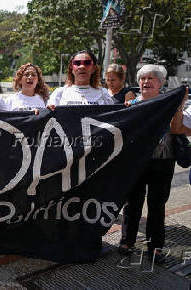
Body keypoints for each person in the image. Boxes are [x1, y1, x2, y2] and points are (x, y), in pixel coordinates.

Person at [119, 64, 184, 264]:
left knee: (157, 206)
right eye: (143, 79)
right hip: (136, 162)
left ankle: (155, 246)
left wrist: (179, 107)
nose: (146, 82)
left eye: (151, 79)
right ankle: (127, 241)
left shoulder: (170, 103)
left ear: (160, 83)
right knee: (132, 204)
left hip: (163, 162)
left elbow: (178, 129)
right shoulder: (131, 104)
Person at [47, 50, 113, 110]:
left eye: (87, 63)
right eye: (77, 63)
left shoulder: (103, 93)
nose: (82, 67)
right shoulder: (59, 93)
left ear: (93, 68)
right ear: (71, 68)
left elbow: (114, 118)